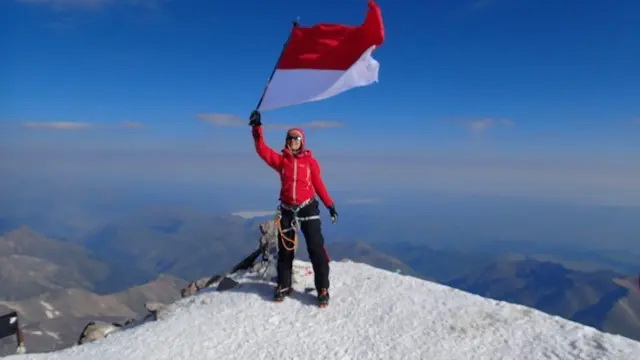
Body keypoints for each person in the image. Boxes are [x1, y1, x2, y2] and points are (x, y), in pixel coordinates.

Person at [249, 110, 338, 307]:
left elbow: (318, 184)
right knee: (285, 250)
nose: (293, 141)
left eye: (296, 138)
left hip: (308, 208)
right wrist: (257, 128)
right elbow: (262, 149)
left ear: (302, 141)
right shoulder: (282, 162)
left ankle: (323, 288)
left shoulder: (310, 163)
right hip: (287, 209)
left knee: (316, 248)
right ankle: (283, 285)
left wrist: (329, 205)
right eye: (290, 138)